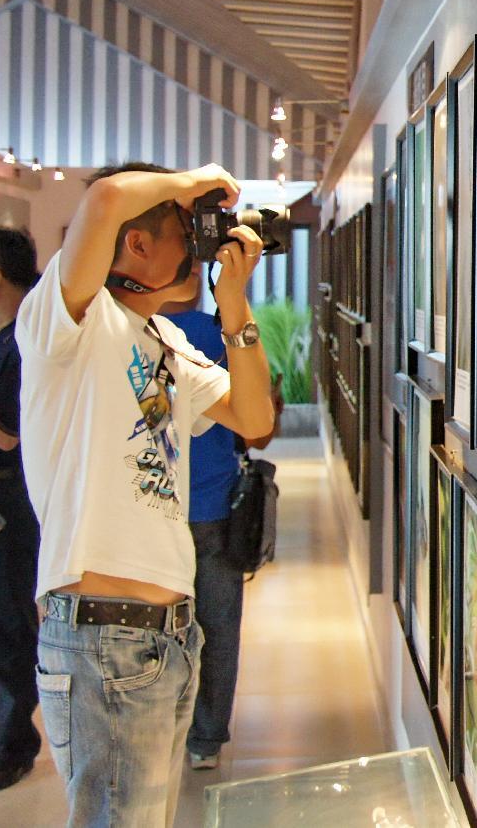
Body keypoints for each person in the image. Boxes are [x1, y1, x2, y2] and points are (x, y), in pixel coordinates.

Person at [15, 163, 274, 827]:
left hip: (165, 639)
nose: (196, 247)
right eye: (185, 232)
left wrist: (236, 307)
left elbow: (254, 418)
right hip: (104, 636)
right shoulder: (68, 322)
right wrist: (189, 181)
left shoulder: (166, 339)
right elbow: (103, 198)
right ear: (134, 245)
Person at [164, 298, 282, 770]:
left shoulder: (126, 329)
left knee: (152, 631)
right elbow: (258, 433)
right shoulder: (221, 333)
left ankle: (163, 727)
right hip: (213, 501)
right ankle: (206, 738)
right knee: (218, 624)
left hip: (153, 509)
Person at [0, 228, 41, 793]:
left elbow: (14, 438)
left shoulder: (28, 340)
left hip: (8, 499)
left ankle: (13, 744)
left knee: (7, 626)